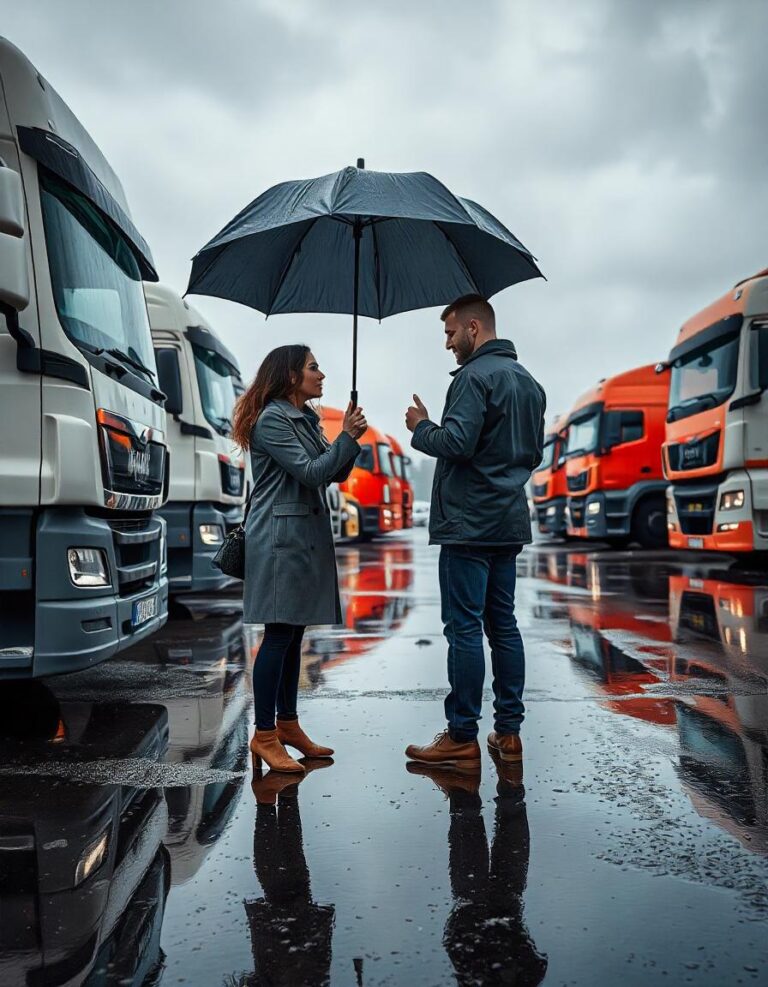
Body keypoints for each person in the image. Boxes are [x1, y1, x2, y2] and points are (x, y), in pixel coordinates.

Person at [404, 295, 545, 768]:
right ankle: (509, 733)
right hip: (507, 523)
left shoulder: (473, 378)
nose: (448, 344)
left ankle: (462, 737)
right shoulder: (530, 383)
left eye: (450, 334)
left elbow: (457, 443)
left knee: (463, 628)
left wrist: (421, 428)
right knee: (502, 625)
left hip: (468, 526)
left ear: (472, 326)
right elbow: (533, 455)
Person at [232, 345, 367, 773]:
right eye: (313, 367)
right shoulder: (273, 419)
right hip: (278, 539)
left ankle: (287, 725)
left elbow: (333, 471)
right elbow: (311, 472)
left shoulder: (306, 418)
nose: (321, 374)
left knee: (292, 634)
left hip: (297, 537)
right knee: (277, 635)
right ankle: (265, 734)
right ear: (290, 375)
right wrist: (343, 437)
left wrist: (349, 438)